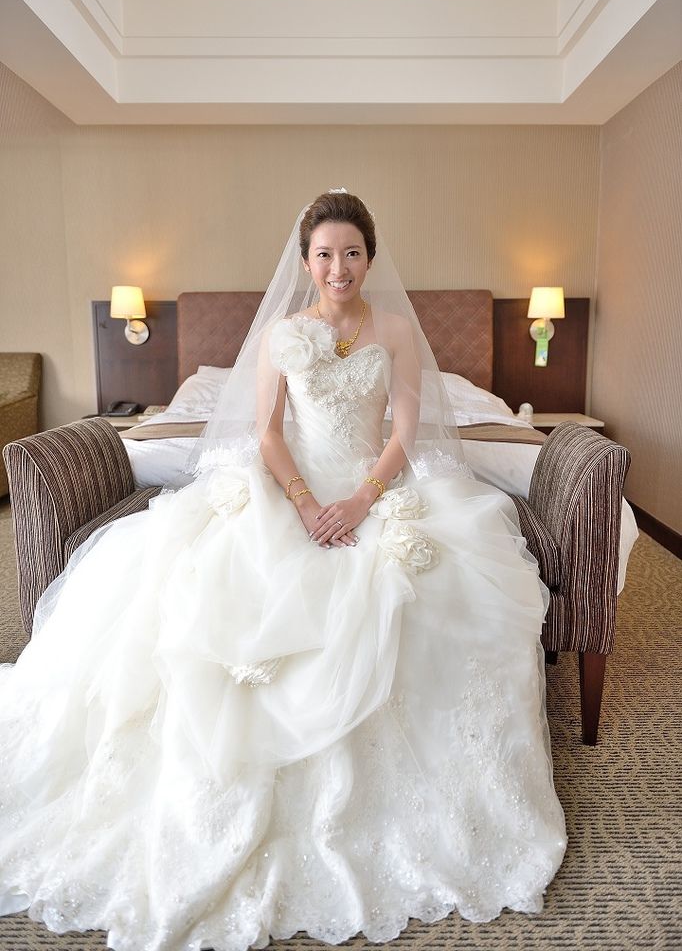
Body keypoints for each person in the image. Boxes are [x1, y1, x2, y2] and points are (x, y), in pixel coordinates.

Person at [0, 191, 567, 951]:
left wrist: (361, 501)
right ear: (305, 262)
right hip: (292, 487)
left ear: (370, 258)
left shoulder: (396, 331)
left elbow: (404, 430)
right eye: (325, 254)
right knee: (210, 584)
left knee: (440, 587)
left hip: (370, 485)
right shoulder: (280, 334)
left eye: (352, 252)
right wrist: (303, 504)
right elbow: (267, 433)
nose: (339, 267)